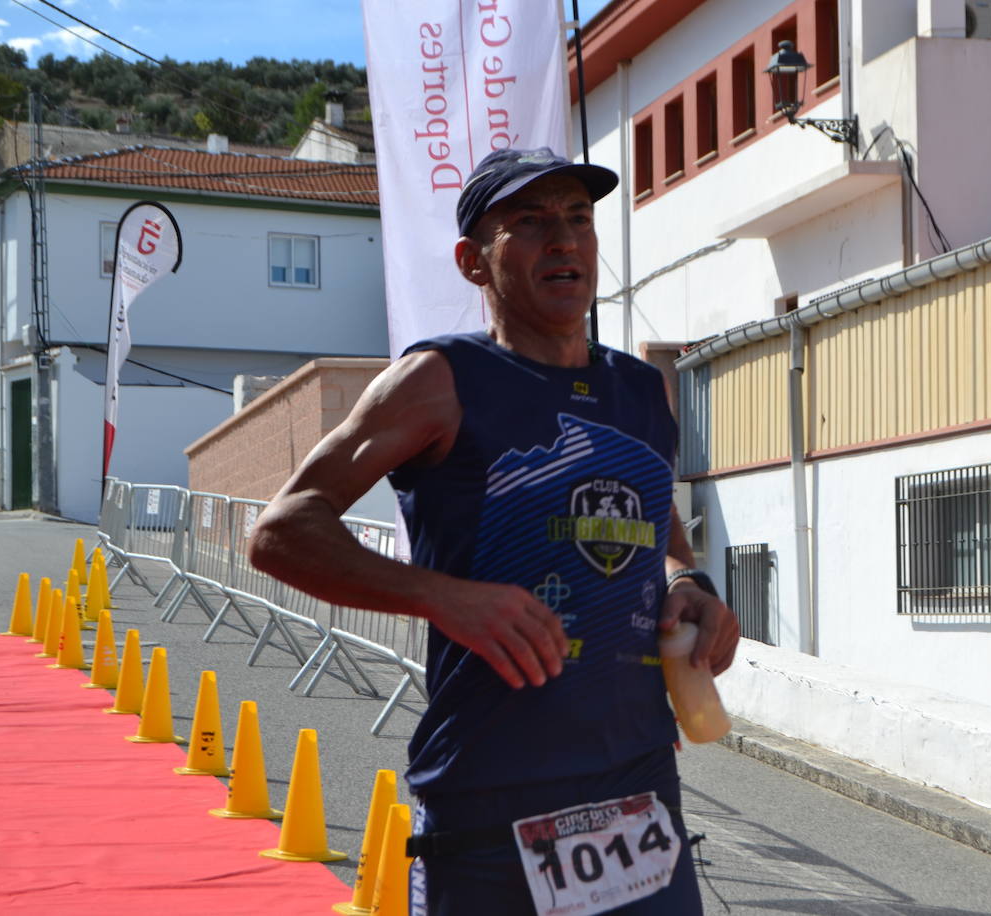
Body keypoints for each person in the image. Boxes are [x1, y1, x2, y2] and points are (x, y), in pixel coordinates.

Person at [248, 147, 740, 915]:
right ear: (474, 263)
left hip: (637, 784)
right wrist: (444, 598)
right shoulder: (439, 380)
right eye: (530, 223)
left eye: (579, 218)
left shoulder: (640, 390)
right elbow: (280, 531)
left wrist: (687, 583)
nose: (564, 240)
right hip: (494, 792)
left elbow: (657, 531)